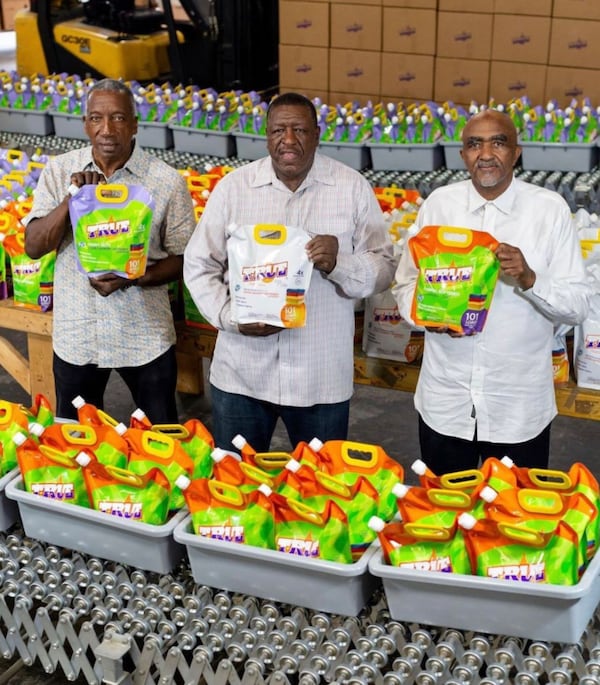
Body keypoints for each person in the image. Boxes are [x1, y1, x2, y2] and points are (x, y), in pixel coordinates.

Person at [183, 91, 396, 452]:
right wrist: (229, 316)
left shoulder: (351, 189)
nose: (289, 140)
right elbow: (199, 264)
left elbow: (384, 268)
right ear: (266, 134)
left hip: (320, 378)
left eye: (299, 129)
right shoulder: (235, 189)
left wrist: (338, 263)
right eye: (279, 130)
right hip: (242, 376)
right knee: (237, 487)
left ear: (317, 133)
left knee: (316, 492)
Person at [393, 109, 591, 474]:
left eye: (498, 142)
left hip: (517, 409)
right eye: (474, 144)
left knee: (514, 521)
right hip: (446, 404)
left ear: (516, 152)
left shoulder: (548, 211)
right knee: (446, 516)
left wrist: (530, 279)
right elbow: (406, 283)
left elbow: (577, 306)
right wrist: (424, 316)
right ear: (463, 155)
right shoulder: (440, 205)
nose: (486, 153)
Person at [24, 78, 196, 423]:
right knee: (77, 442)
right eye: (97, 118)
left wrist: (134, 277)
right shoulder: (60, 172)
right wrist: (72, 201)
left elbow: (186, 258)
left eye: (118, 118)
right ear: (86, 123)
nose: (107, 129)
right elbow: (33, 246)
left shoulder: (164, 180)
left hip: (144, 337)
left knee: (160, 440)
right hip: (78, 336)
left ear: (134, 124)